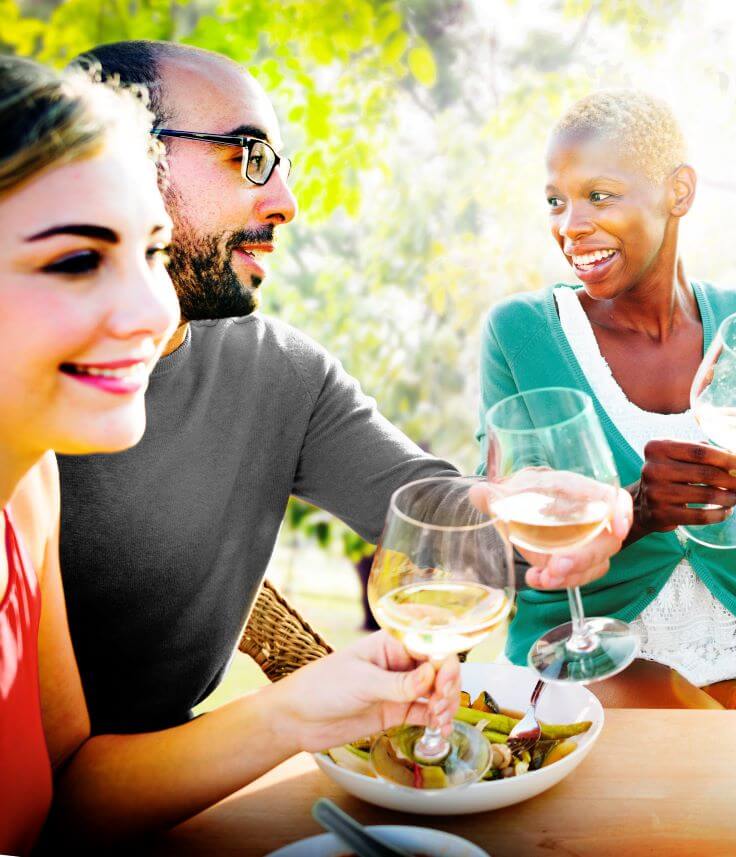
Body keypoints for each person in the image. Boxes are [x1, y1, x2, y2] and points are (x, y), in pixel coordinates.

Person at [56, 39, 631, 737]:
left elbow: (433, 513)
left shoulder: (281, 373)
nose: (286, 202)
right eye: (247, 156)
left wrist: (525, 506)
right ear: (118, 156)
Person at [0, 56, 459, 853]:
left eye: (149, 250)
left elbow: (63, 798)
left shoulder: (25, 487)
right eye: (76, 260)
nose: (150, 311)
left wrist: (305, 706)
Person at [477, 91, 736, 709]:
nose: (570, 225)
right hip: (585, 662)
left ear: (677, 192)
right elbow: (506, 542)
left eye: (599, 196)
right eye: (556, 200)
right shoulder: (521, 334)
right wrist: (636, 510)